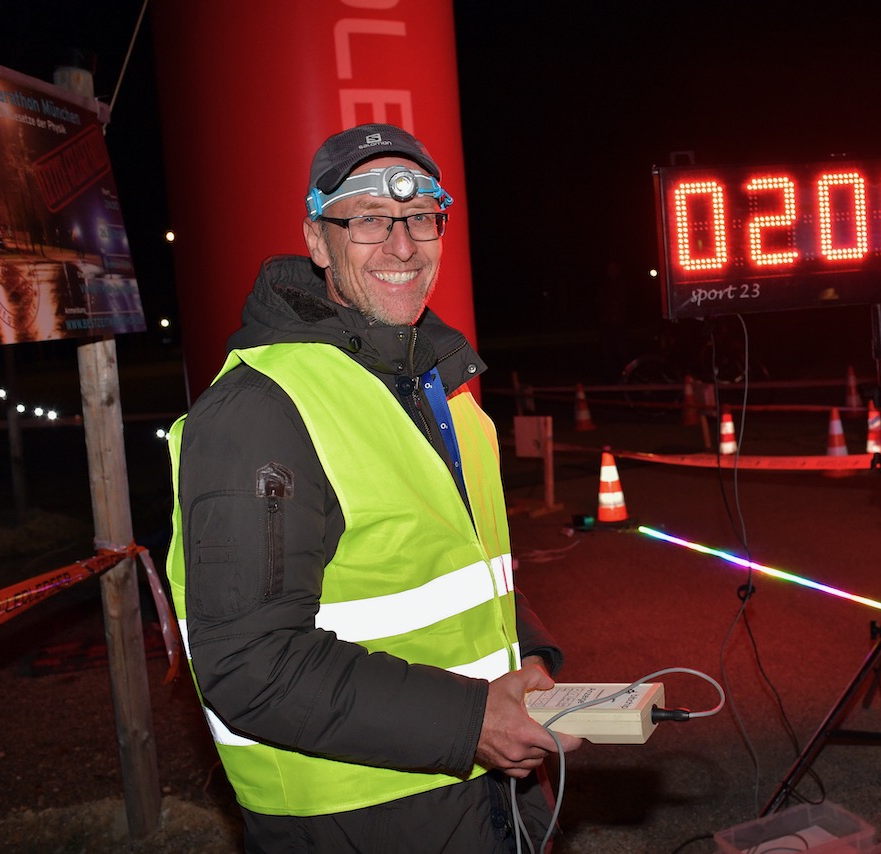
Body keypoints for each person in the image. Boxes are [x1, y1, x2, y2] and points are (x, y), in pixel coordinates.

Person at [165, 123, 582, 852]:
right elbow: (249, 663)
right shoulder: (259, 411)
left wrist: (532, 654)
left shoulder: (441, 387)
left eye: (421, 217)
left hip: (482, 793)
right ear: (318, 241)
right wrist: (470, 722)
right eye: (367, 219)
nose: (402, 245)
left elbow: (461, 569)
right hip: (355, 820)